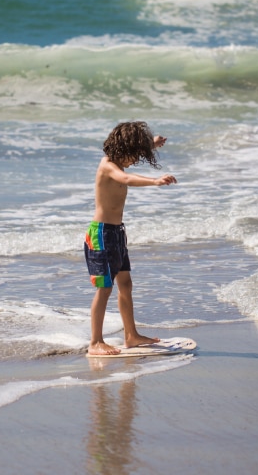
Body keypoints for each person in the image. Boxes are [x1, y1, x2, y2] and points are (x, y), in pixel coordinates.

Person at [84, 121, 177, 356]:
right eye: (135, 154)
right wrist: (154, 181)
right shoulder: (108, 166)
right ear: (123, 149)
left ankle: (131, 336)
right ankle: (95, 342)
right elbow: (125, 179)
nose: (135, 160)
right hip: (102, 234)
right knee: (104, 288)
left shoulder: (118, 160)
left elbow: (129, 160)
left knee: (125, 284)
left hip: (117, 233)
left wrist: (151, 144)